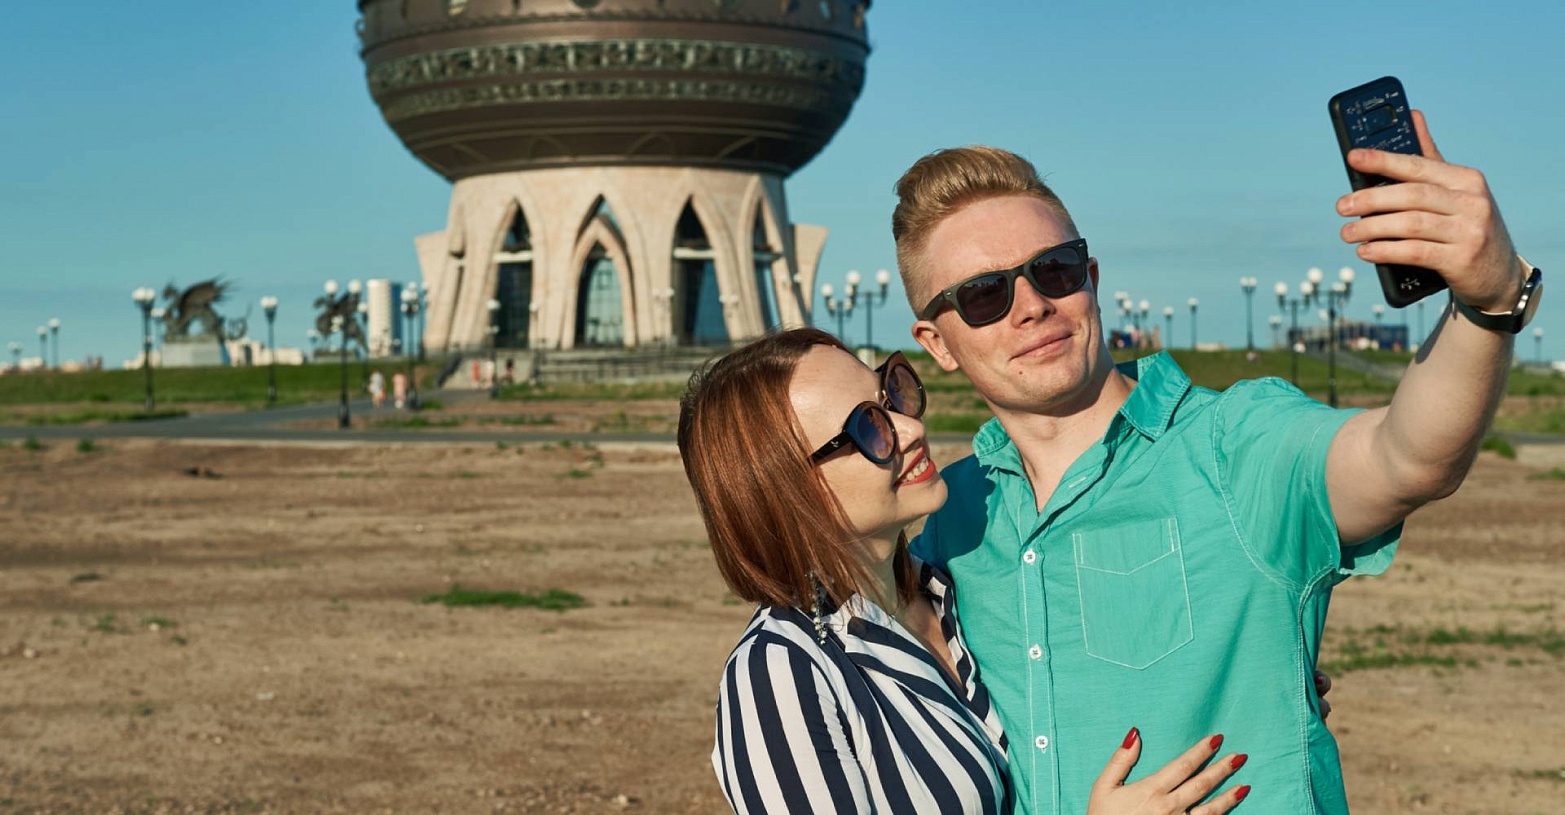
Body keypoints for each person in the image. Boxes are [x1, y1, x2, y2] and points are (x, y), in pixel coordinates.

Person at [894, 112, 1538, 814]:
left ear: (1092, 277)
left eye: (1054, 270)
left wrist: (1487, 302)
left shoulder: (1237, 443)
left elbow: (1405, 456)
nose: (1032, 305)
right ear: (937, 343)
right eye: (983, 295)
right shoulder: (945, 519)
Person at [681, 329, 1259, 814]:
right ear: (787, 491)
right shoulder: (780, 673)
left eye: (892, 394)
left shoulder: (949, 589)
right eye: (869, 427)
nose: (910, 429)